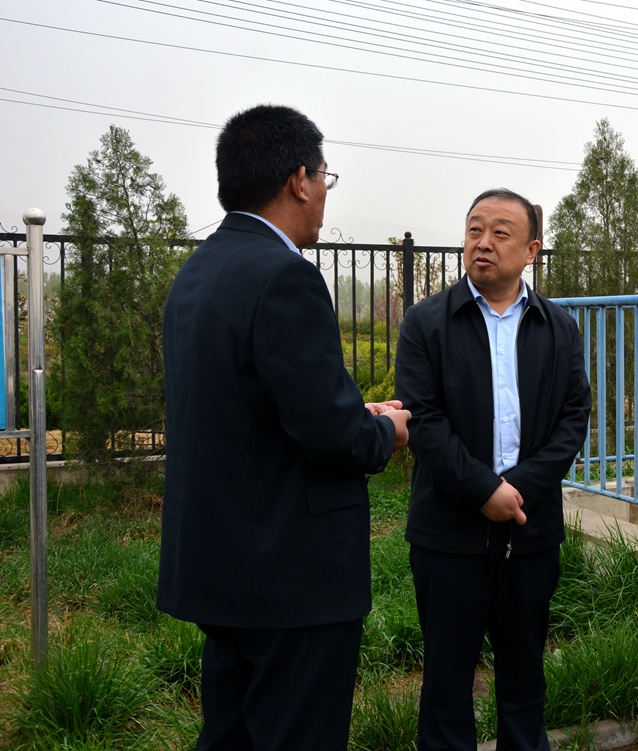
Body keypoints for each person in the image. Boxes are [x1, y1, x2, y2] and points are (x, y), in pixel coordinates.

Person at [157, 104, 410, 751]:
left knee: (231, 735)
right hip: (292, 581)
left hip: (222, 570)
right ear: (300, 179)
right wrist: (385, 430)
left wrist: (349, 414)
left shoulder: (198, 272)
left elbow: (255, 411)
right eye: (325, 176)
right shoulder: (284, 276)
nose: (325, 191)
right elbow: (332, 435)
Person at [394, 188, 591, 751]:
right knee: (446, 683)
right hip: (448, 534)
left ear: (531, 250)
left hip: (529, 532)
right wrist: (484, 490)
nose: (483, 242)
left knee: (524, 678)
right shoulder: (426, 323)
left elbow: (573, 416)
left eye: (500, 232)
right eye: (474, 229)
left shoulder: (558, 326)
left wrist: (517, 489)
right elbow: (423, 420)